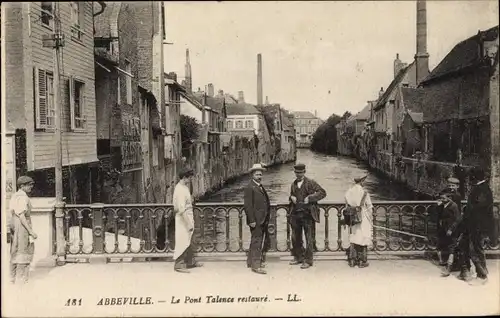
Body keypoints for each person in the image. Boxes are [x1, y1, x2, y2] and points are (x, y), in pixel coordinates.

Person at [459, 168, 495, 285]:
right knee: (475, 248)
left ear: (475, 178)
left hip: (477, 225)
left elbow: (478, 209)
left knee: (475, 249)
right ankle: (481, 272)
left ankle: (482, 276)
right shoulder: (482, 188)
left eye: (470, 177)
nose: (469, 180)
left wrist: (468, 213)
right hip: (475, 224)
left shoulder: (482, 189)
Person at [288, 163, 326, 269]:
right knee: (296, 237)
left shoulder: (311, 182)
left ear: (304, 172)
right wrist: (291, 197)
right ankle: (299, 257)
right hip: (296, 214)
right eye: (297, 173)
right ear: (295, 173)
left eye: (300, 172)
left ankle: (308, 260)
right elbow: (291, 195)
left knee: (309, 238)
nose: (299, 175)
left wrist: (310, 198)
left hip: (308, 214)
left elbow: (322, 192)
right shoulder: (293, 184)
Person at [172, 168, 202, 273]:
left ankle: (190, 261)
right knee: (183, 239)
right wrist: (188, 223)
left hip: (187, 215)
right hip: (183, 218)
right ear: (184, 177)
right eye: (189, 177)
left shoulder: (183, 187)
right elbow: (181, 209)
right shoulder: (180, 189)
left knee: (188, 239)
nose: (190, 179)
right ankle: (179, 264)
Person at [9, 176, 37, 284]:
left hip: (16, 225)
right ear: (22, 186)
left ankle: (12, 278)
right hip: (22, 226)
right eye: (29, 185)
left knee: (15, 250)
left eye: (32, 185)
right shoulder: (22, 197)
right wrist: (30, 231)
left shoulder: (15, 196)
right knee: (24, 250)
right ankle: (21, 279)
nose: (31, 187)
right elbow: (21, 215)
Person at [244, 163, 271, 275]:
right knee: (257, 242)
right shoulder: (250, 187)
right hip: (256, 220)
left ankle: (250, 261)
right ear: (252, 175)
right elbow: (248, 206)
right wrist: (252, 221)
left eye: (260, 174)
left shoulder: (258, 185)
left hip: (262, 219)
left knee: (255, 240)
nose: (259, 176)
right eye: (257, 174)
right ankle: (256, 266)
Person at [344, 175, 373, 268]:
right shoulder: (364, 193)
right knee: (363, 237)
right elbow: (369, 207)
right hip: (362, 217)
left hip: (352, 217)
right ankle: (362, 261)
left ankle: (352, 260)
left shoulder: (349, 192)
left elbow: (346, 204)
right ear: (362, 182)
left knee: (353, 237)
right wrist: (371, 219)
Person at [436, 192, 461, 277]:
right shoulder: (443, 205)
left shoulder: (453, 206)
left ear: (449, 198)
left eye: (443, 198)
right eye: (441, 198)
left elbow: (458, 219)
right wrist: (438, 206)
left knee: (451, 248)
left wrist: (451, 229)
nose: (442, 200)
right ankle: (443, 262)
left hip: (451, 230)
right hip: (444, 229)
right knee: (443, 245)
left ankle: (449, 268)